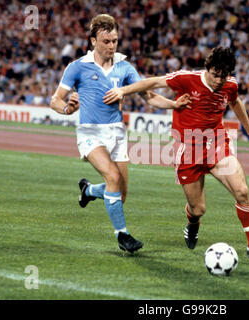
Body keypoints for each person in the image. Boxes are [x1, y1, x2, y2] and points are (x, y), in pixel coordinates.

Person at [104, 47, 249, 265]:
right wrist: (123, 91)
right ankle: (193, 222)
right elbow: (153, 82)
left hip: (216, 143)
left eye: (223, 75)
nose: (219, 80)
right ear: (208, 68)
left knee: (242, 191)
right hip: (188, 149)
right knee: (198, 208)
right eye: (215, 74)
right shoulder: (186, 78)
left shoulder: (230, 85)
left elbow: (235, 101)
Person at [50, 14, 190, 254]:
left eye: (114, 40)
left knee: (120, 194)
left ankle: (89, 191)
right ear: (93, 40)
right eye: (106, 41)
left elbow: (149, 96)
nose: (111, 46)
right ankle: (123, 236)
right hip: (90, 133)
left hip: (117, 133)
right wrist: (66, 108)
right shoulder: (77, 67)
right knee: (113, 178)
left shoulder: (125, 67)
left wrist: (173, 105)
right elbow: (55, 100)